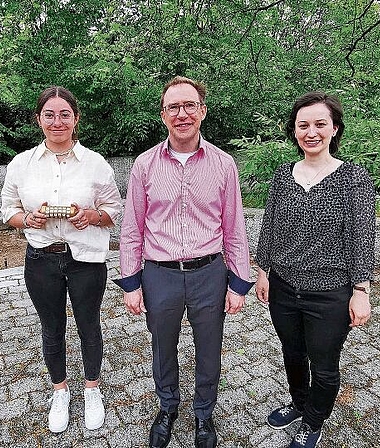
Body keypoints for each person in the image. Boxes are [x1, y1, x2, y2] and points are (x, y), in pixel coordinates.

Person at [115, 76, 253, 448]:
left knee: (210, 345)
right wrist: (131, 282)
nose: (182, 114)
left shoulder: (224, 165)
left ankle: (204, 414)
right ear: (163, 116)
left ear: (202, 111)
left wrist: (239, 283)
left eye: (189, 105)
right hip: (160, 275)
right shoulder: (144, 165)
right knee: (163, 345)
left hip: (210, 272)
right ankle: (168, 406)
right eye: (173, 107)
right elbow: (132, 228)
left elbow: (234, 228)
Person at [255, 91, 375, 448]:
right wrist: (263, 270)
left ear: (334, 129)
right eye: (302, 125)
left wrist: (361, 291)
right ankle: (298, 402)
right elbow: (270, 226)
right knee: (292, 353)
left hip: (330, 294)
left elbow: (361, 237)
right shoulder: (282, 175)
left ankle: (313, 421)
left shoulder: (353, 178)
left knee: (324, 366)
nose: (311, 132)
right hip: (285, 288)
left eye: (320, 124)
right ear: (294, 132)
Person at [1, 86, 123, 433]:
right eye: (50, 114)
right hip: (41, 259)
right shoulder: (21, 164)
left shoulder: (95, 164)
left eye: (65, 114)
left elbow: (114, 209)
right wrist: (29, 219)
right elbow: (8, 209)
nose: (57, 122)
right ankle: (59, 391)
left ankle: (92, 389)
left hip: (85, 259)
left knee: (88, 325)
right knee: (52, 328)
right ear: (39, 119)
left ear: (76, 119)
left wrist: (91, 216)